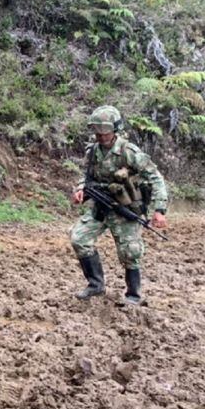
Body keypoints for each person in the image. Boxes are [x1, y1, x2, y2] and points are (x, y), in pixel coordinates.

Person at [70, 105, 169, 305]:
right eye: (97, 131)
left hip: (125, 208)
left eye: (105, 131)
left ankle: (133, 295)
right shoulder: (93, 151)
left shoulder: (128, 151)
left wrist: (159, 210)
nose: (101, 136)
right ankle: (95, 285)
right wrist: (81, 189)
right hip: (101, 206)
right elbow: (86, 176)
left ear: (115, 129)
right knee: (79, 238)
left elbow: (156, 178)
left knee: (130, 251)